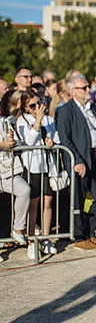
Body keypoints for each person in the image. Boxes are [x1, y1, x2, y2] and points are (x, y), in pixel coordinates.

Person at [56, 74, 96, 251]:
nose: (89, 90)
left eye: (88, 87)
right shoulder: (66, 110)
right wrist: (76, 160)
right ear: (73, 91)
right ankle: (80, 236)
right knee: (79, 200)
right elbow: (65, 138)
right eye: (84, 87)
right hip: (81, 159)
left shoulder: (92, 108)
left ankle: (90, 231)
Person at [15, 90, 60, 257]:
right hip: (32, 166)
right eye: (32, 105)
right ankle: (32, 240)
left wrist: (52, 142)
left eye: (38, 104)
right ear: (26, 107)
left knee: (48, 203)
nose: (36, 108)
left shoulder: (49, 119)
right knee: (33, 204)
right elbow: (29, 141)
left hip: (47, 165)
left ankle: (46, 237)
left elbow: (56, 137)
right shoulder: (22, 120)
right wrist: (38, 120)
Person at [0, 116, 31, 250]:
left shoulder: (4, 121)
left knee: (24, 190)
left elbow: (17, 143)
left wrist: (12, 141)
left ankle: (18, 228)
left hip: (6, 169)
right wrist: (2, 145)